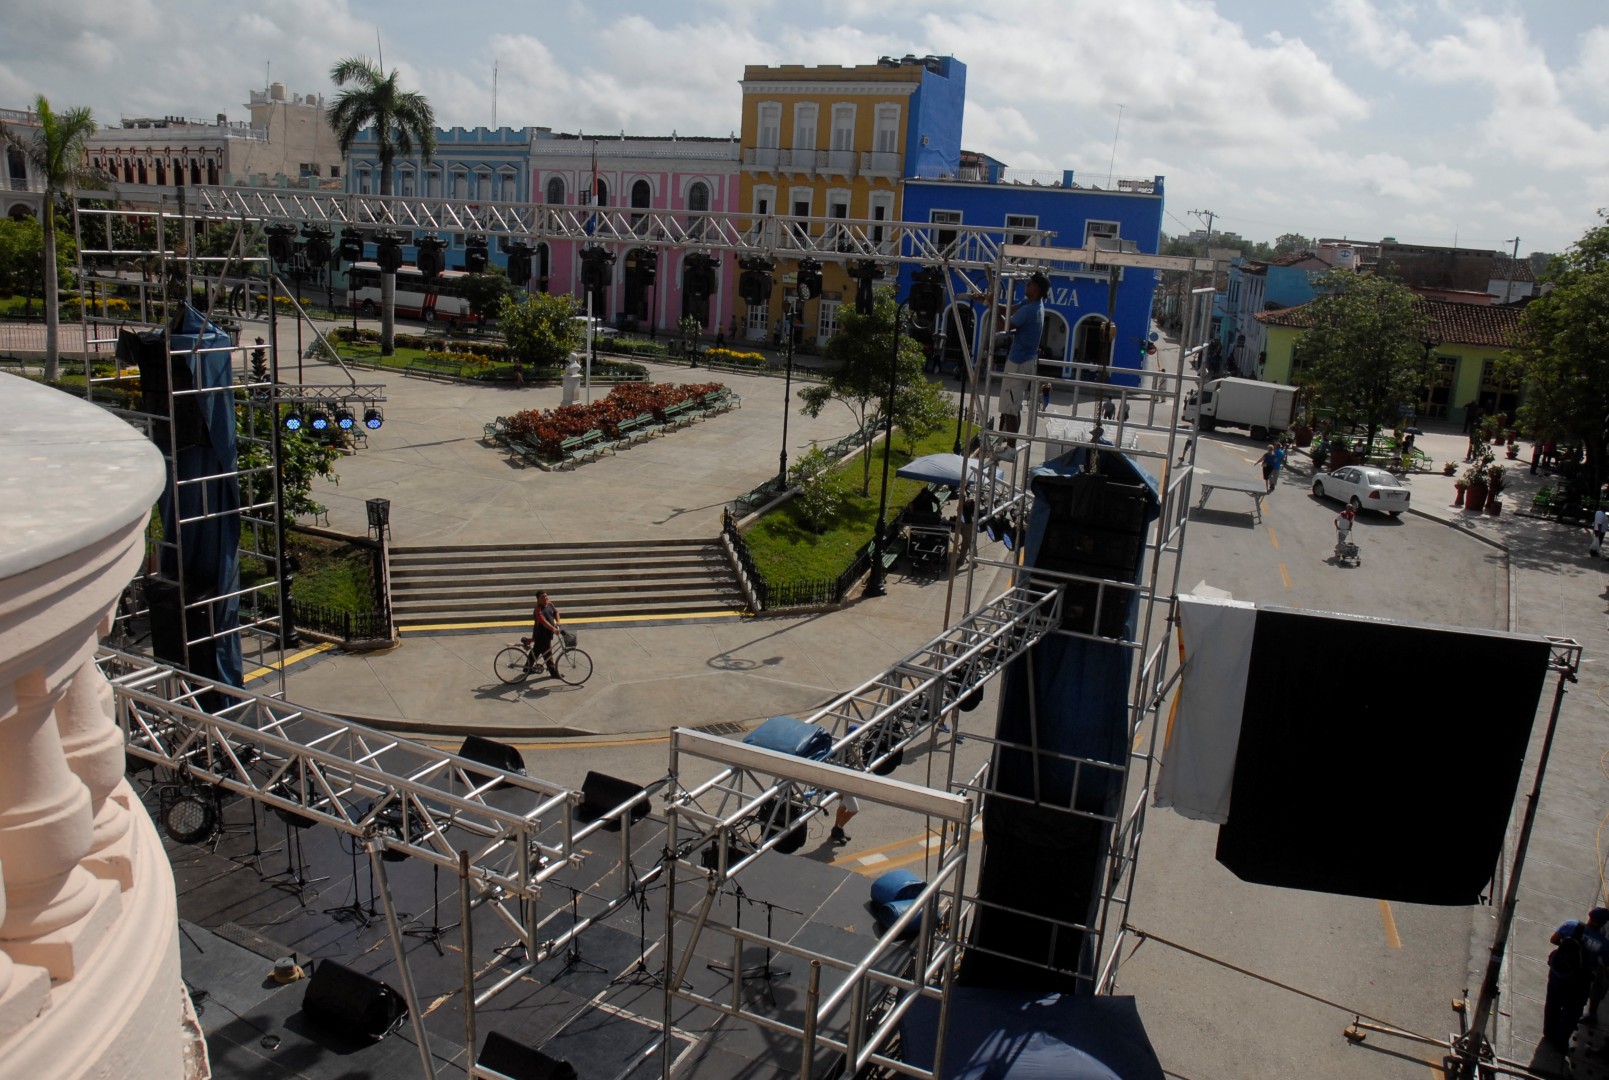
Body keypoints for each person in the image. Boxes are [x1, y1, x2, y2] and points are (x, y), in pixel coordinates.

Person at [986, 271, 1048, 458]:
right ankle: (1008, 444)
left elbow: (1003, 327)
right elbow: (1010, 309)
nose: (1026, 286)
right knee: (1013, 405)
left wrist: (992, 307)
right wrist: (993, 302)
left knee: (1011, 407)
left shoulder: (1031, 310)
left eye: (1030, 285)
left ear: (1036, 290)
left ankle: (1011, 449)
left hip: (1018, 362)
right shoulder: (1032, 304)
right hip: (1025, 360)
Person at [1543, 907, 1609, 1051]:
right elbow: (1606, 962)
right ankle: (1560, 1043)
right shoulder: (1603, 943)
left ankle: (1548, 1033)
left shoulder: (1571, 925)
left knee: (1552, 1004)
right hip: (1580, 982)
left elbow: (1553, 939)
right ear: (1603, 924)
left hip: (1559, 974)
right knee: (1571, 1013)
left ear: (1589, 916)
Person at [529, 590, 562, 677]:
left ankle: (527, 668)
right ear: (538, 599)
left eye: (546, 596)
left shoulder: (550, 604)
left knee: (536, 651)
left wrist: (558, 622)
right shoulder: (538, 610)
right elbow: (544, 622)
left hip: (547, 634)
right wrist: (554, 629)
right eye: (542, 597)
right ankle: (554, 673)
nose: (545, 598)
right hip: (541, 635)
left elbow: (556, 612)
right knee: (548, 654)